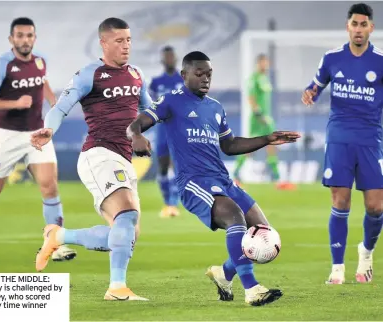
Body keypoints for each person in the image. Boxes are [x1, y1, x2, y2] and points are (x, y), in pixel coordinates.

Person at [127, 51, 300, 305]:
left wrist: (267, 139)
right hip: (194, 182)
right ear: (184, 75)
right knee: (235, 218)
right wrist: (137, 136)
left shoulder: (215, 107)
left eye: (209, 74)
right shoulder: (171, 102)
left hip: (223, 180)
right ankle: (252, 290)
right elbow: (135, 124)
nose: (206, 79)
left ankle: (224, 273)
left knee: (263, 233)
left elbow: (229, 145)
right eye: (199, 74)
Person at [30, 17, 151, 301]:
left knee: (127, 234)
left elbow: (149, 110)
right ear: (104, 43)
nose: (126, 46)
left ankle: (59, 237)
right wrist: (49, 129)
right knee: (127, 216)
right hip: (98, 153)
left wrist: (143, 132)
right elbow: (60, 108)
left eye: (129, 40)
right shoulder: (90, 74)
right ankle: (116, 288)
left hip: (123, 157)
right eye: (119, 41)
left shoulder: (136, 74)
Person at [0, 17, 76, 263]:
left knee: (50, 187)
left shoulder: (40, 60)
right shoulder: (2, 65)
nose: (25, 40)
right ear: (12, 39)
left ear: (34, 38)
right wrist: (16, 103)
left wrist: (53, 101)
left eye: (29, 35)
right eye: (20, 35)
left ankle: (54, 243)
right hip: (6, 135)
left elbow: (42, 81)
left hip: (36, 133)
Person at [302, 3, 383, 284]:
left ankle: (366, 252)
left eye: (363, 25)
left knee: (376, 207)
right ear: (347, 27)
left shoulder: (381, 62)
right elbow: (316, 85)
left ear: (371, 28)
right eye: (354, 24)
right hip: (339, 137)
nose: (358, 29)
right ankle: (337, 268)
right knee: (340, 200)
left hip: (371, 139)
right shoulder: (332, 58)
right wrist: (310, 93)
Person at [233, 54, 295, 190]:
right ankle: (234, 176)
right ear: (258, 64)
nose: (265, 65)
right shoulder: (253, 79)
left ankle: (278, 180)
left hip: (267, 118)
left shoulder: (265, 79)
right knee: (249, 148)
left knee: (273, 146)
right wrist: (258, 113)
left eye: (266, 63)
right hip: (257, 119)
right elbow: (251, 97)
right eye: (263, 63)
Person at [149, 46, 184, 218]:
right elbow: (149, 105)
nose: (170, 59)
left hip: (179, 128)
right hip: (162, 129)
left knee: (177, 164)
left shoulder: (183, 80)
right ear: (163, 60)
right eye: (167, 57)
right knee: (163, 166)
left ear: (176, 59)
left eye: (172, 56)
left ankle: (173, 203)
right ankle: (166, 201)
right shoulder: (156, 82)